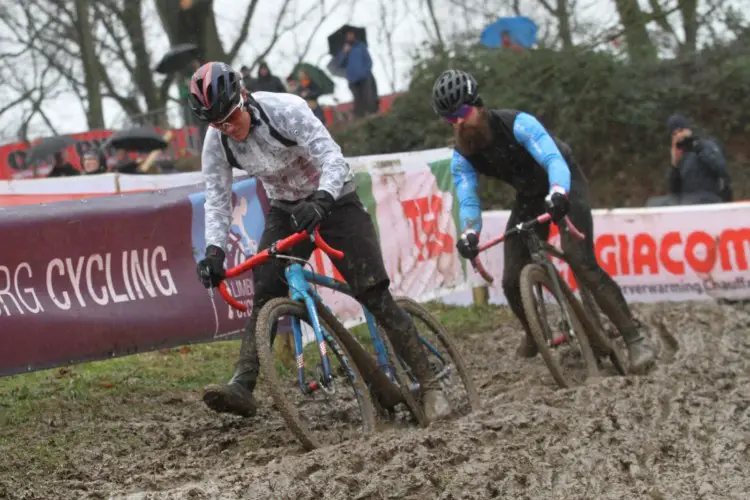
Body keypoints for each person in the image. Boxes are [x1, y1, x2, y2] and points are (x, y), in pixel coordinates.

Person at [187, 61, 451, 422]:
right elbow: (217, 199)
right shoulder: (217, 141)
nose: (228, 128)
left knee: (372, 292)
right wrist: (214, 251)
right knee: (265, 288)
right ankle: (243, 384)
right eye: (218, 123)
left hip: (335, 200)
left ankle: (430, 383)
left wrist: (324, 199)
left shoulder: (286, 109)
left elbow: (332, 157)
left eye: (231, 116)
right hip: (285, 207)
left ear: (244, 97)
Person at [431, 69, 657, 375]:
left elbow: (553, 160)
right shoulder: (461, 156)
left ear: (479, 105)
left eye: (462, 112)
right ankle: (534, 332)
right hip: (529, 195)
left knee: (580, 259)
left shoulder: (517, 123)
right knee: (511, 279)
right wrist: (470, 232)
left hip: (564, 181)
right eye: (449, 118)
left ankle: (635, 339)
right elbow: (469, 199)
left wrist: (558, 193)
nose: (458, 122)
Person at [667, 114, 732, 204]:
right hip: (689, 206)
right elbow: (674, 193)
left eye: (681, 131)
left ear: (688, 130)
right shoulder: (681, 156)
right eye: (674, 134)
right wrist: (675, 165)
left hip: (711, 202)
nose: (679, 135)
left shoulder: (707, 145)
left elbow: (721, 169)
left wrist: (698, 148)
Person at [334, 30, 376, 118]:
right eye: (348, 35)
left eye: (351, 34)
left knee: (367, 96)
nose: (350, 36)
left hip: (364, 77)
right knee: (357, 99)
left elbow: (369, 61)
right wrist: (344, 53)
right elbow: (338, 64)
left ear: (354, 35)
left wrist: (365, 72)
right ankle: (360, 117)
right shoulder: (343, 50)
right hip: (352, 79)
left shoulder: (361, 46)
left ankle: (371, 114)